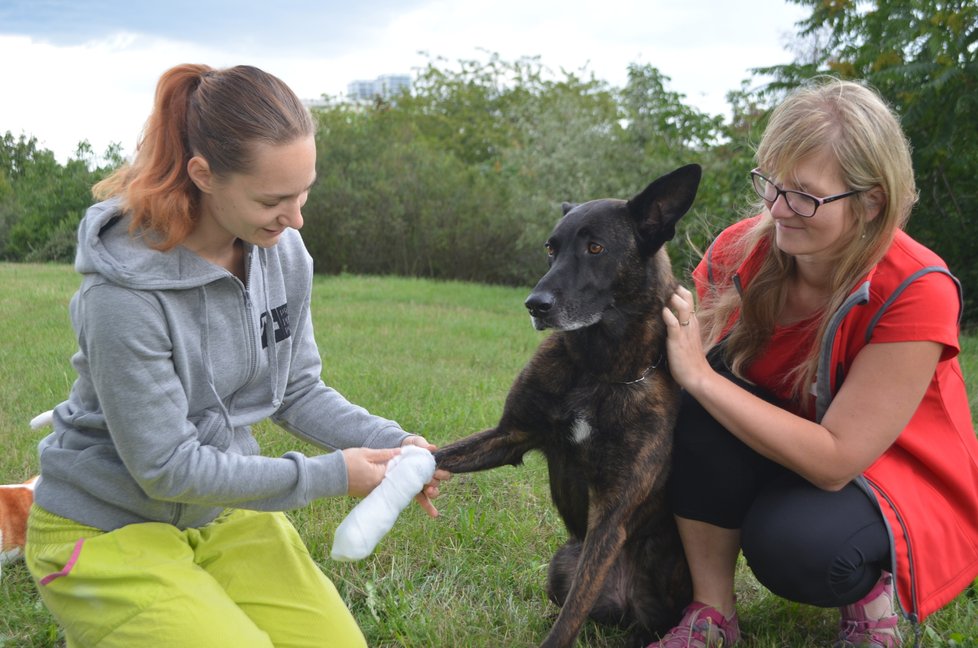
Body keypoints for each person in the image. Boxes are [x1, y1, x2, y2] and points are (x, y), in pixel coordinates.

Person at [25, 63, 448, 648]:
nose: (296, 218)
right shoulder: (121, 295)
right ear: (203, 174)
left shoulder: (283, 252)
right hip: (103, 525)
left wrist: (394, 441)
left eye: (304, 192)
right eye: (273, 199)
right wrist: (330, 475)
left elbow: (296, 390)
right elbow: (166, 466)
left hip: (219, 511)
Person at [653, 77, 978, 648]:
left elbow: (836, 460)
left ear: (871, 201)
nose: (778, 209)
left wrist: (701, 378)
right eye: (771, 184)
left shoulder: (916, 286)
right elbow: (677, 385)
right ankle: (712, 615)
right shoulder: (741, 249)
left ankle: (871, 590)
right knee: (694, 411)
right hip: (788, 441)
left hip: (888, 472)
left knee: (798, 547)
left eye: (804, 195)